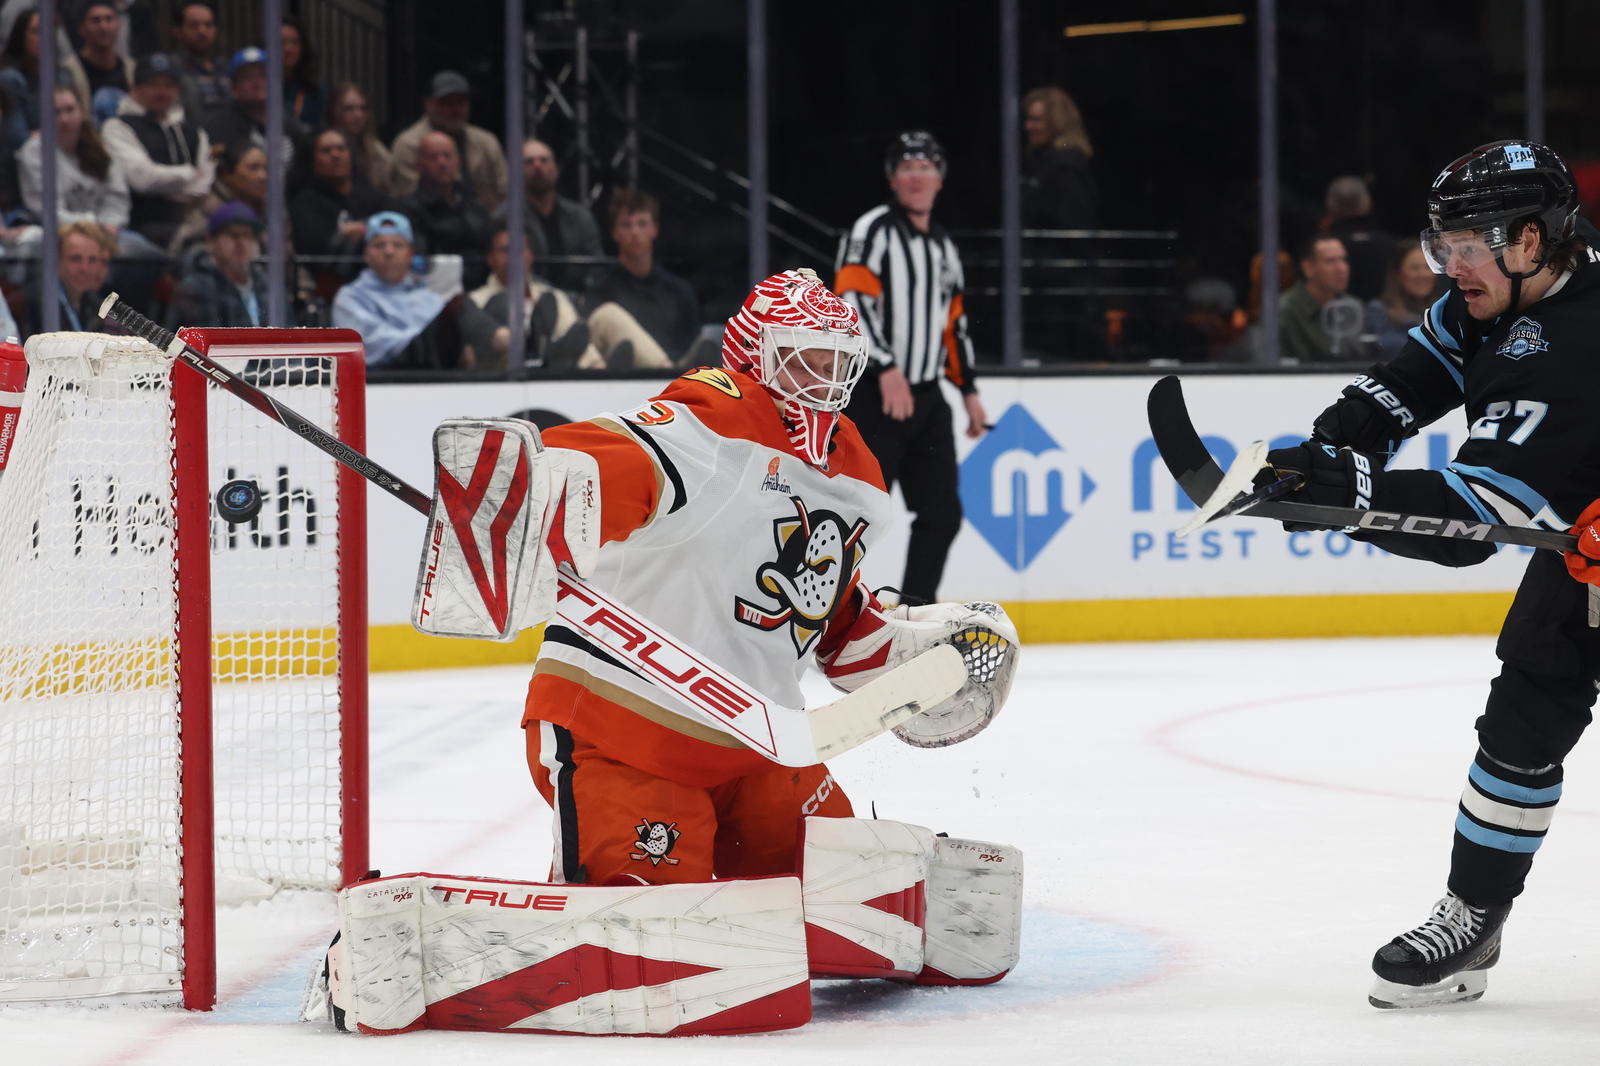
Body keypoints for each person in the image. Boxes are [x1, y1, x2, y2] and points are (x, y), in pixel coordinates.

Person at [1252, 141, 1600, 1009]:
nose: (1449, 266)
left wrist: (1353, 494)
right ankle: (1474, 916)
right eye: (1442, 247)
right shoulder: (1506, 290)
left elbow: (1475, 521)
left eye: (1466, 248)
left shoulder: (1578, 343)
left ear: (1529, 241)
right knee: (1523, 717)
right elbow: (1417, 375)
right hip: (1586, 548)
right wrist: (1332, 450)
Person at [834, 130, 987, 606]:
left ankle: (916, 613)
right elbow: (851, 301)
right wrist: (884, 367)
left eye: (926, 167)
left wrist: (968, 390)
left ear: (940, 179)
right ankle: (823, 614)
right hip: (879, 393)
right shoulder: (872, 230)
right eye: (907, 167)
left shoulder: (942, 247)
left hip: (926, 398)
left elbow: (953, 325)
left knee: (942, 515)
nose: (917, 176)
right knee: (855, 514)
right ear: (893, 179)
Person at [330, 210, 496, 370]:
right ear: (366, 254)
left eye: (397, 244)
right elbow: (368, 347)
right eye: (379, 245)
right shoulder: (349, 298)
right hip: (376, 387)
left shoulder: (429, 298)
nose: (389, 251)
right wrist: (425, 339)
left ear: (410, 254)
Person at [101, 51, 213, 249]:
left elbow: (204, 184)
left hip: (191, 219)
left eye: (168, 86)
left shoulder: (194, 132)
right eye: (152, 85)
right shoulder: (117, 127)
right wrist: (187, 174)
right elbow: (143, 180)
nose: (161, 92)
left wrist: (168, 183)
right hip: (141, 226)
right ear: (134, 88)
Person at [583, 187, 694, 368]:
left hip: (678, 379)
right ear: (614, 233)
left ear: (654, 229)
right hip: (624, 383)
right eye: (626, 225)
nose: (635, 232)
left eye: (642, 224)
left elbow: (689, 344)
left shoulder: (679, 291)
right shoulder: (600, 291)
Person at [469, 226, 601, 370]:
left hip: (555, 372)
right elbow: (470, 354)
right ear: (490, 259)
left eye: (520, 250)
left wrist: (598, 366)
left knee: (560, 305)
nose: (514, 257)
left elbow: (575, 336)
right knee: (502, 304)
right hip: (504, 374)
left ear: (531, 255)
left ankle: (590, 369)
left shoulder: (550, 295)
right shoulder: (475, 300)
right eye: (505, 250)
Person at [388, 70, 507, 212]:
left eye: (461, 102)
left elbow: (504, 191)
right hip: (427, 222)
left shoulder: (486, 142)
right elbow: (408, 197)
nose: (455, 109)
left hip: (485, 224)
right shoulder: (409, 144)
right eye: (447, 103)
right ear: (429, 104)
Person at [289, 126, 391, 285]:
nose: (335, 155)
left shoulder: (374, 197)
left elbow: (397, 228)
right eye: (326, 151)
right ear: (312, 159)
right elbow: (318, 252)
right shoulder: (304, 205)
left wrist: (363, 229)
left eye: (341, 149)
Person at [399, 129, 493, 289]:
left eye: (447, 156)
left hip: (481, 287)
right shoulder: (407, 210)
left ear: (458, 161)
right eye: (433, 157)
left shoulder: (475, 206)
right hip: (433, 290)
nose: (442, 163)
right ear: (419, 164)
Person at [512, 137, 602, 292]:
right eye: (529, 162)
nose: (537, 166)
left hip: (577, 298)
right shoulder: (506, 219)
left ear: (555, 169)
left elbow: (597, 265)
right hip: (527, 297)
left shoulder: (580, 217)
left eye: (544, 160)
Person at [204, 45, 305, 178]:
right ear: (234, 88)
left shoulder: (289, 123)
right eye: (247, 77)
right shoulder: (218, 128)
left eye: (263, 75)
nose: (257, 82)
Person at [164, 201, 269, 328]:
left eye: (247, 235)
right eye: (233, 235)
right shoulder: (195, 289)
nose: (241, 242)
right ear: (211, 242)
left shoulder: (267, 285)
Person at [168, 139, 265, 255]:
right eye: (253, 168)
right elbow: (180, 253)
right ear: (226, 173)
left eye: (266, 168)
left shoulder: (272, 208)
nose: (263, 176)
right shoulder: (206, 208)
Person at [1020, 86, 1098, 230]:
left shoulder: (1065, 166)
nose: (1028, 126)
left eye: (1036, 120)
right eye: (1028, 119)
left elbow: (1076, 225)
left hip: (1055, 251)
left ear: (1058, 122)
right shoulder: (1037, 159)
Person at [18, 220, 115, 336]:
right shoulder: (36, 300)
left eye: (92, 260)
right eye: (75, 259)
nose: (85, 268)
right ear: (57, 260)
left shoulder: (91, 301)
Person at [1277, 232, 1360, 361]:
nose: (1342, 268)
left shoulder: (1354, 306)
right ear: (1308, 268)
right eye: (1330, 261)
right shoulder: (1284, 311)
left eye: (1344, 260)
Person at [1364, 242, 1445, 358]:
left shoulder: (1443, 309)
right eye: (1414, 268)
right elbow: (1389, 347)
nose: (1422, 274)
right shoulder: (1378, 309)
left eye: (1427, 267)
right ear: (1398, 273)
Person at [1324, 175, 1396, 304]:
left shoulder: (1323, 248)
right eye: (1332, 261)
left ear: (1330, 204)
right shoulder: (1389, 244)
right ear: (1368, 202)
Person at [61, 0, 133, 124]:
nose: (103, 27)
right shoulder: (67, 71)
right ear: (81, 29)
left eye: (109, 19)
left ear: (119, 25)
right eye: (95, 20)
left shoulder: (131, 68)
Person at [328, 81, 397, 197]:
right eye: (349, 109)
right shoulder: (325, 148)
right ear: (335, 112)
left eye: (363, 108)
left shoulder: (379, 153)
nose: (358, 115)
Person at [168, 1, 228, 130]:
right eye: (194, 25)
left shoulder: (225, 68)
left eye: (208, 25)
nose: (202, 31)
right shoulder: (170, 69)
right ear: (178, 32)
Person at [0, 8, 39, 152]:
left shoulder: (60, 75)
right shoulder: (10, 78)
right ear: (21, 35)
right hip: (21, 163)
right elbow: (17, 138)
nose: (43, 37)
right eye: (36, 31)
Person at [278, 14, 324, 129]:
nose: (289, 49)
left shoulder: (316, 92)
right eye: (281, 43)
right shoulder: (261, 89)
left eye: (294, 43)